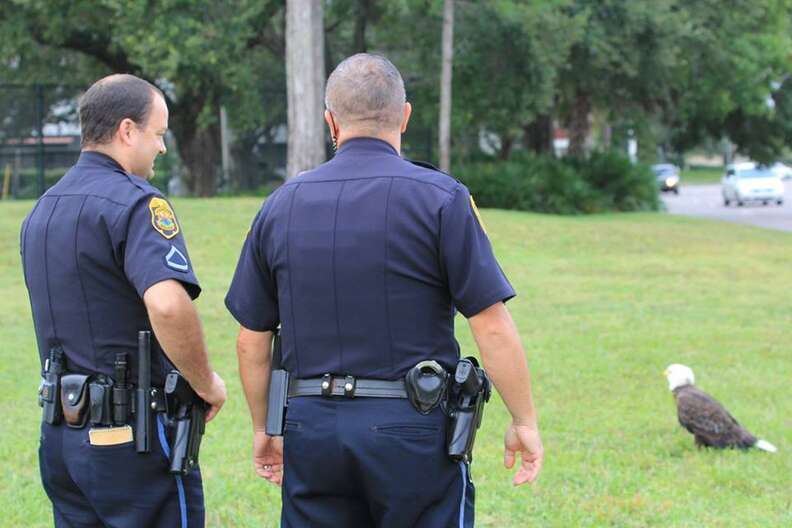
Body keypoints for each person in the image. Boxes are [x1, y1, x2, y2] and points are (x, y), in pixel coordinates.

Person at [226, 53, 543, 527]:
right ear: (405, 116)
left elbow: (253, 338)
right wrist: (523, 422)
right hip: (411, 427)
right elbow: (491, 324)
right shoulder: (442, 198)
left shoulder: (281, 204)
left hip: (311, 425)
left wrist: (264, 428)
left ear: (331, 121)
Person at [20, 74, 227, 527]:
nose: (162, 148)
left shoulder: (43, 209)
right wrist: (206, 382)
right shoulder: (137, 204)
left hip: (61, 435)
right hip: (129, 437)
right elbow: (169, 304)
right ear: (127, 131)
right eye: (159, 134)